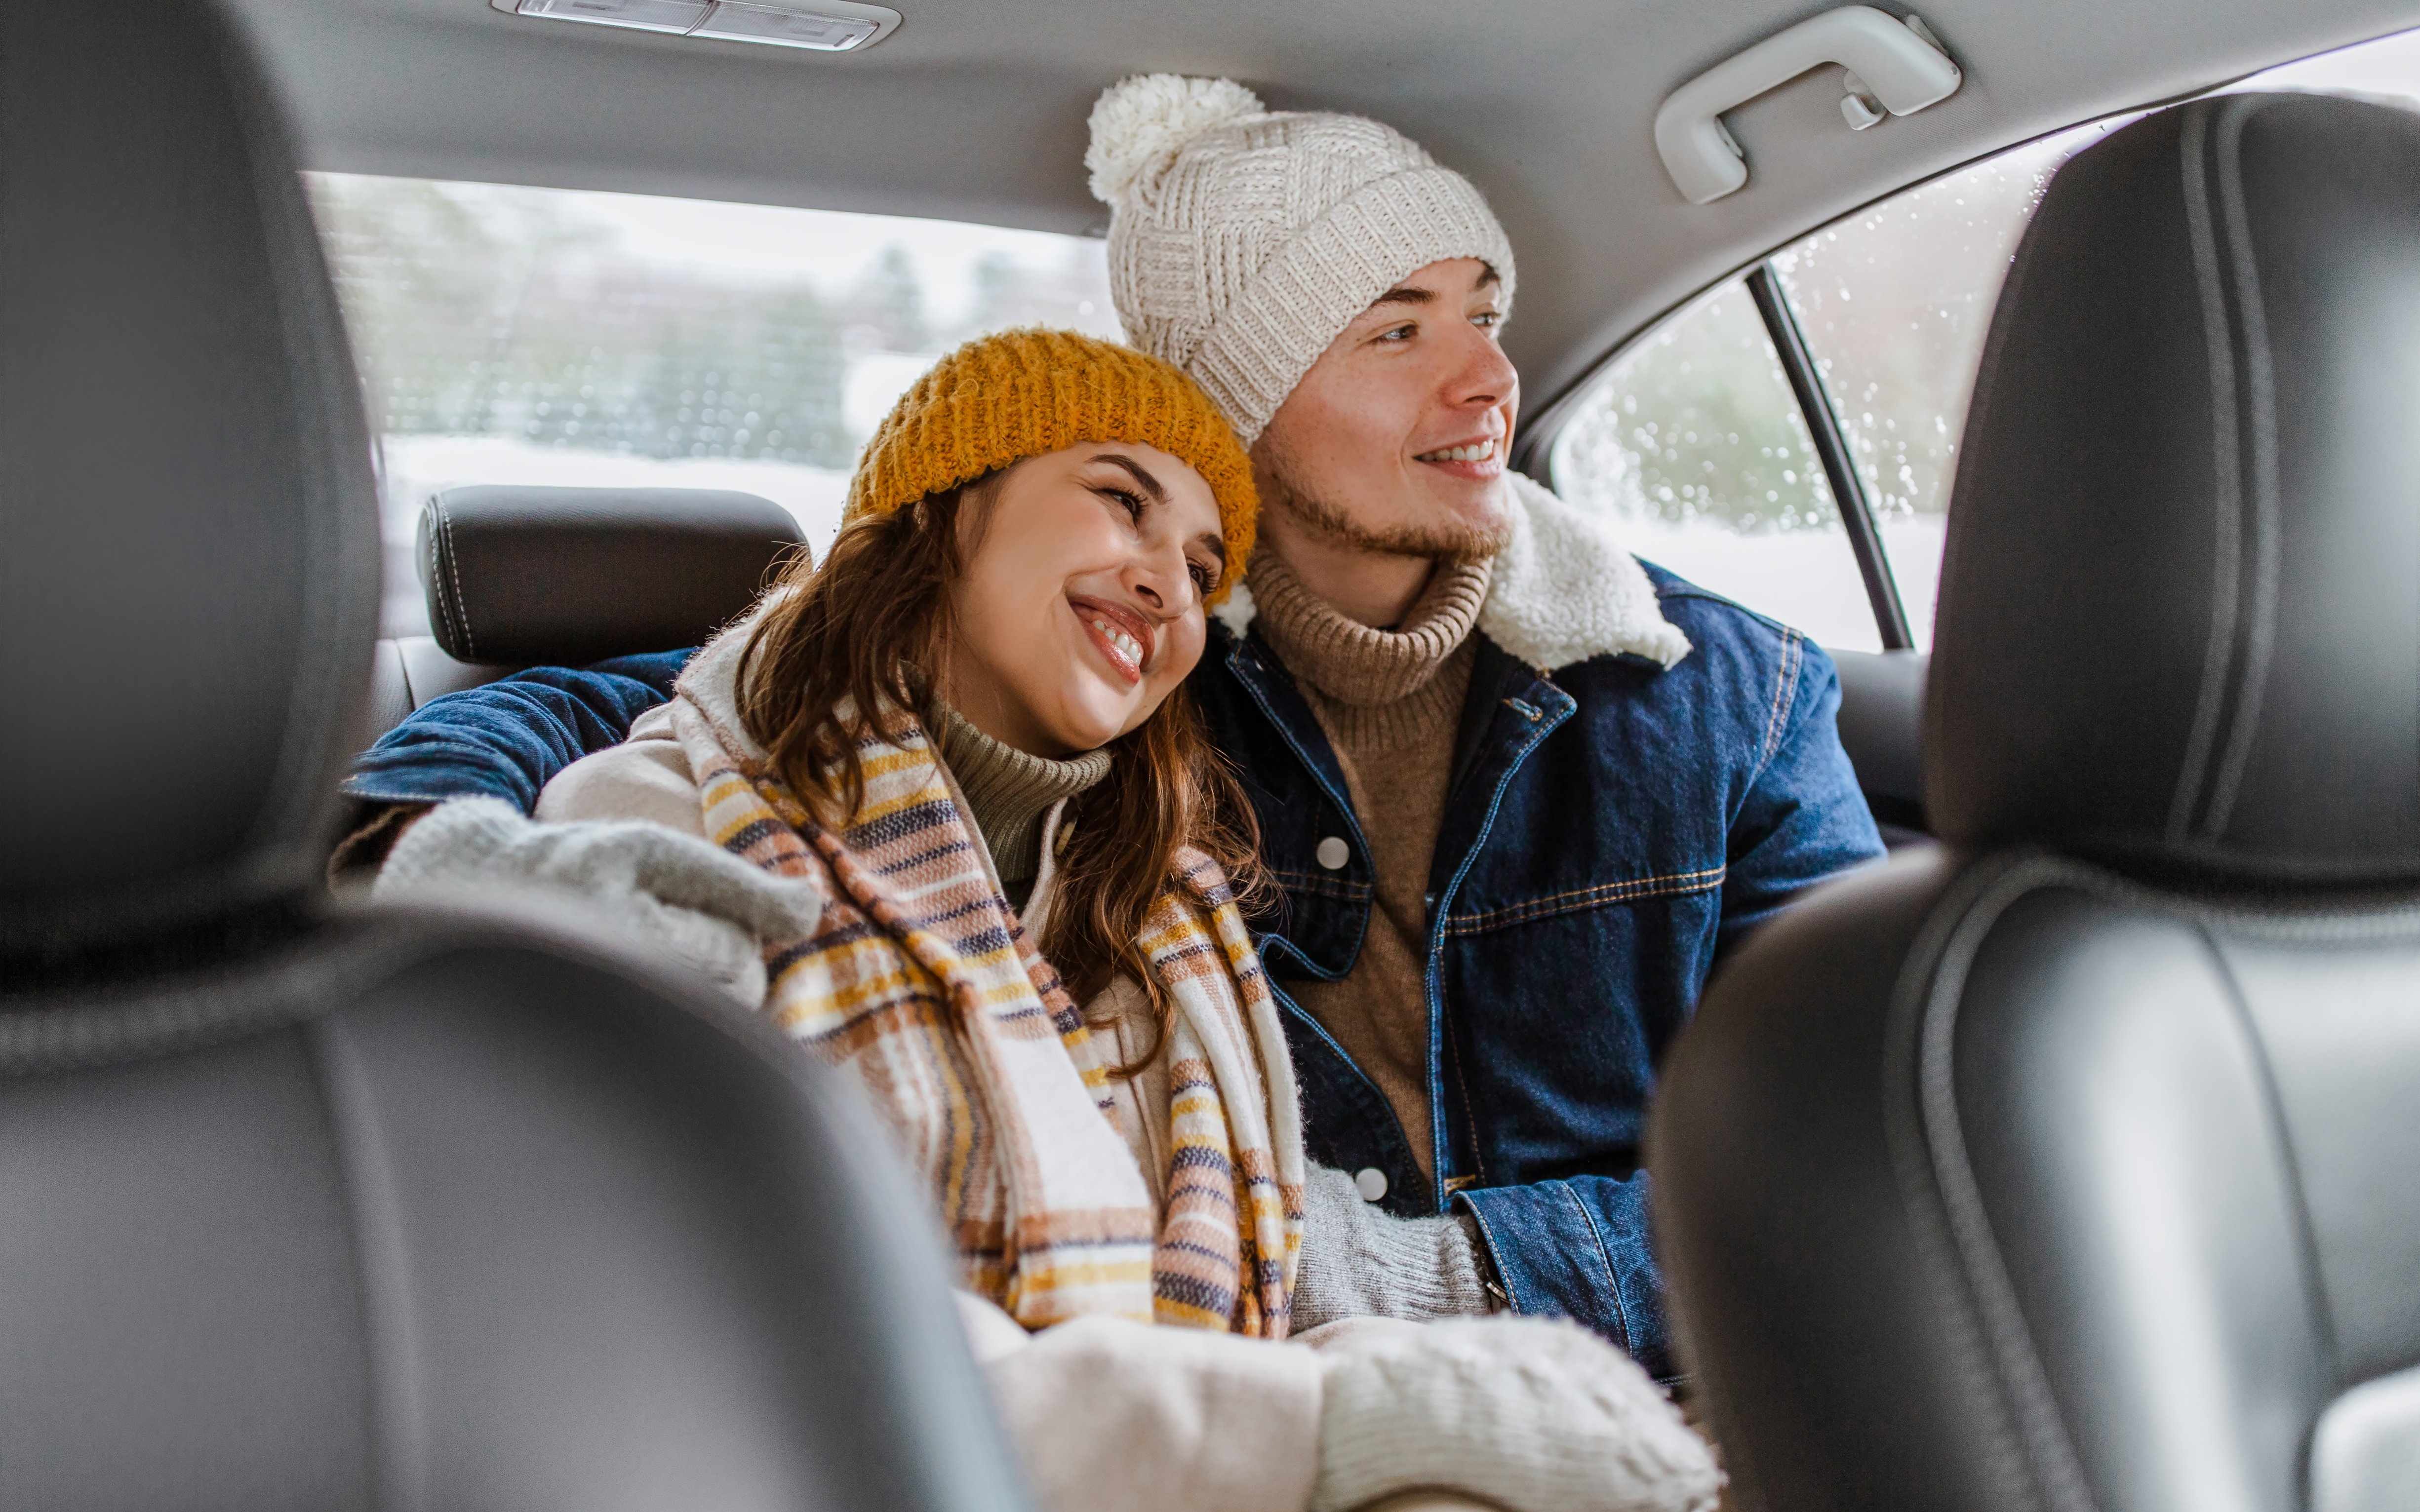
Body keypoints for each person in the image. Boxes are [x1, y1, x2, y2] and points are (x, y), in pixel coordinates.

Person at [345, 78, 1886, 1379]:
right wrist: (435, 856)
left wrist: (1450, 1283)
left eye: (1483, 317)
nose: (1490, 379)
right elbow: (693, 702)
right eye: (1397, 334)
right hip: (1239, 1390)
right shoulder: (1122, 673)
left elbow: (1867, 1168)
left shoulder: (1723, 694)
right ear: (1244, 396)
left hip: (1627, 1388)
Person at [373, 330, 1722, 1512]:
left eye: (1203, 567)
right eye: (1120, 503)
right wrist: (1332, 1424)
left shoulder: (1161, 917)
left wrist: (1485, 1390)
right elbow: (749, 1345)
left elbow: (1248, 1298)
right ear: (946, 512)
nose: (1167, 586)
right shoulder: (668, 825)